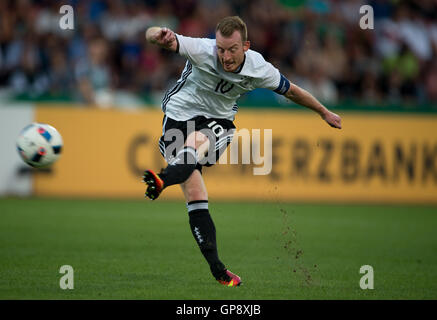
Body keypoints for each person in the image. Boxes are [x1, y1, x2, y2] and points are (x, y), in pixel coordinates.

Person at [142, 16, 342, 287]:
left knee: (199, 140)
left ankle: (164, 178)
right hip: (179, 115)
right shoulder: (201, 48)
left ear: (245, 45)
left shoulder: (259, 68)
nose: (225, 56)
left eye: (232, 50)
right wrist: (159, 34)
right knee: (196, 193)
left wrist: (323, 111)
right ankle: (218, 271)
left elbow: (292, 92)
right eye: (221, 50)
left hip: (218, 121)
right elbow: (151, 34)